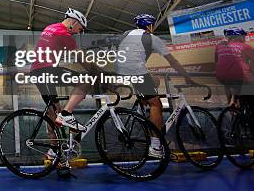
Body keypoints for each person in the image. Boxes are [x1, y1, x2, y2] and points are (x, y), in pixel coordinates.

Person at [58, 13, 195, 158]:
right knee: (156, 104)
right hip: (136, 72)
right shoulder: (152, 38)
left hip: (120, 71)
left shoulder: (127, 34)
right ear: (149, 25)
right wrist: (188, 78)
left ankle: (142, 109)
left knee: (153, 82)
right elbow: (173, 61)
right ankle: (155, 146)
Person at [29, 8, 87, 160]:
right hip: (45, 72)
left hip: (39, 72)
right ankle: (67, 116)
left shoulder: (51, 27)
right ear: (74, 22)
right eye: (79, 29)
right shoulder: (63, 33)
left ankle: (53, 151)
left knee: (53, 113)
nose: (78, 33)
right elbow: (80, 57)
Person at [215, 27, 254, 109]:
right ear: (238, 37)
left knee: (230, 83)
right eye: (243, 36)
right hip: (239, 77)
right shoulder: (246, 47)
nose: (245, 38)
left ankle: (231, 104)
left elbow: (217, 62)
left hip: (221, 76)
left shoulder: (219, 46)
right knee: (248, 86)